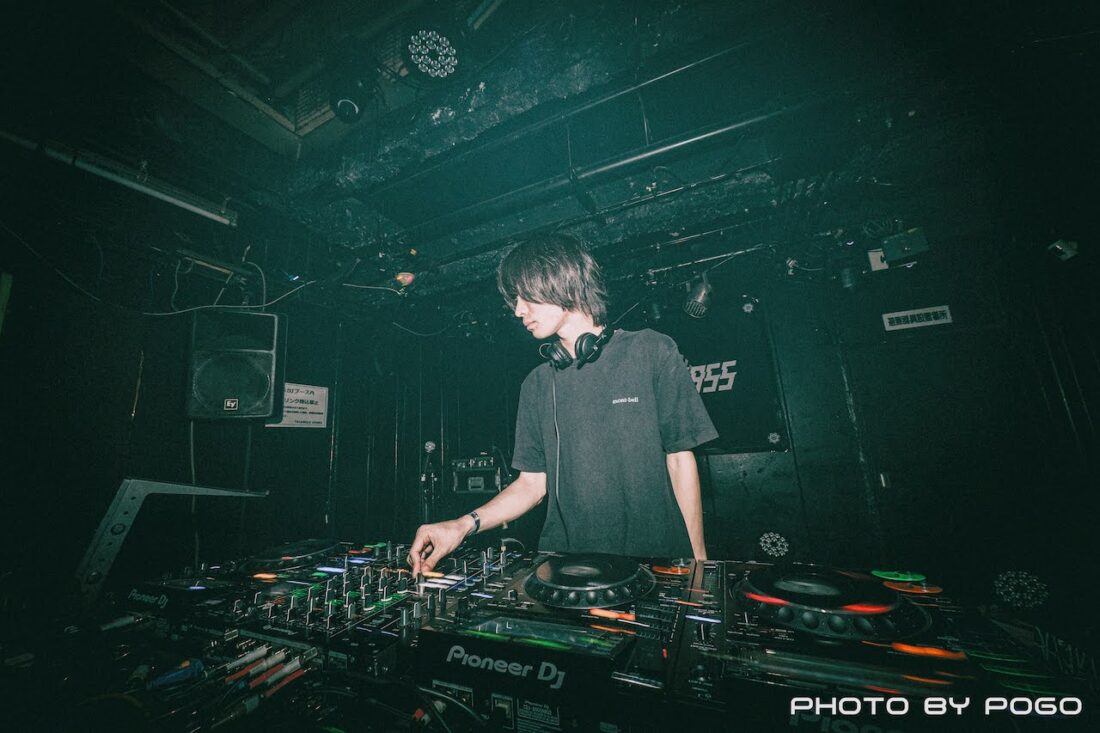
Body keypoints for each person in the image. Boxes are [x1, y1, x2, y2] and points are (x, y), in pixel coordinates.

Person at [408, 234, 717, 575]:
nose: (518, 310)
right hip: (567, 569)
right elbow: (531, 484)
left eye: (526, 296)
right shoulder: (537, 384)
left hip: (654, 563)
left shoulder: (651, 351)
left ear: (563, 281)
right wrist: (462, 525)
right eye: (515, 300)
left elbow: (680, 460)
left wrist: (698, 562)